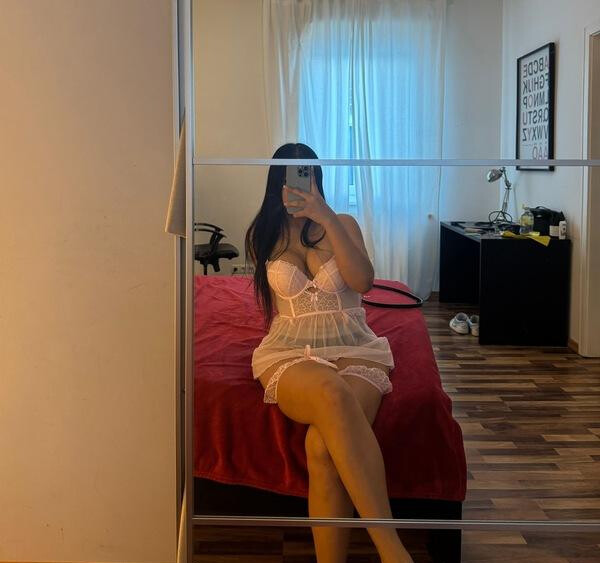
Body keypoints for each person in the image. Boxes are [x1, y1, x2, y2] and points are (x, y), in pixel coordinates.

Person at [245, 143, 414, 563]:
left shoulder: (343, 224)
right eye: (290, 178)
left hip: (355, 345)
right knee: (330, 390)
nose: (300, 186)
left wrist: (326, 218)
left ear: (318, 180)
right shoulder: (263, 235)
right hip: (289, 349)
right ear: (277, 184)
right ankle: (393, 552)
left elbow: (363, 282)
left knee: (322, 449)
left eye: (308, 176)